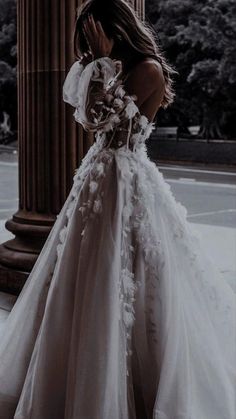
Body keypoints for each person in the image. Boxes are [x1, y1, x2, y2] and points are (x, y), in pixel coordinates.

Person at [0, 0, 235, 418]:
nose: (87, 46)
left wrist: (104, 59)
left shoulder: (147, 69)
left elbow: (99, 117)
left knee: (130, 269)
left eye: (93, 34)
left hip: (124, 178)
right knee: (81, 269)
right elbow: (87, 117)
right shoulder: (111, 68)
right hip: (96, 176)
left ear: (115, 29)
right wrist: (100, 61)